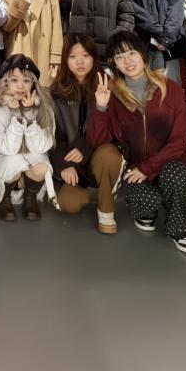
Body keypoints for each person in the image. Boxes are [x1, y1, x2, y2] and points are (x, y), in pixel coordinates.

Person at [88, 30, 186, 253]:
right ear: (114, 63)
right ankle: (147, 211)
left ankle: (178, 228)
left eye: (131, 53)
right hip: (134, 167)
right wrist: (100, 108)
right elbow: (100, 142)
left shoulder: (170, 88)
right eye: (119, 57)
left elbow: (179, 140)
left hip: (167, 163)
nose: (127, 61)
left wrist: (148, 168)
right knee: (144, 199)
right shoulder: (112, 94)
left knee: (177, 177)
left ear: (142, 55)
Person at [49, 35, 124, 234]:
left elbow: (113, 135)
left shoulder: (108, 86)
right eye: (73, 56)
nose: (80, 62)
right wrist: (64, 165)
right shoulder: (56, 92)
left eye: (85, 55)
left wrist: (101, 107)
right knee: (69, 203)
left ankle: (106, 209)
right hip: (72, 161)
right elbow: (54, 137)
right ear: (65, 60)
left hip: (100, 154)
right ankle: (93, 187)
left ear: (94, 57)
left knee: (109, 156)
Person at [0, 54, 57, 222]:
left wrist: (29, 115)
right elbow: (7, 149)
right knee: (13, 161)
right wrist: (17, 120)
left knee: (42, 165)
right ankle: (3, 198)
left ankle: (30, 197)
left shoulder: (44, 105)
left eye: (26, 80)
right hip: (5, 159)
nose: (20, 86)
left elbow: (41, 147)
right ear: (6, 82)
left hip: (32, 157)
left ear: (33, 82)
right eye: (14, 80)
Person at [0, 0, 64, 87]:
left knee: (43, 91)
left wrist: (56, 55)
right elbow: (6, 27)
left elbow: (56, 24)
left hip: (43, 49)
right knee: (19, 88)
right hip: (18, 46)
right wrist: (19, 7)